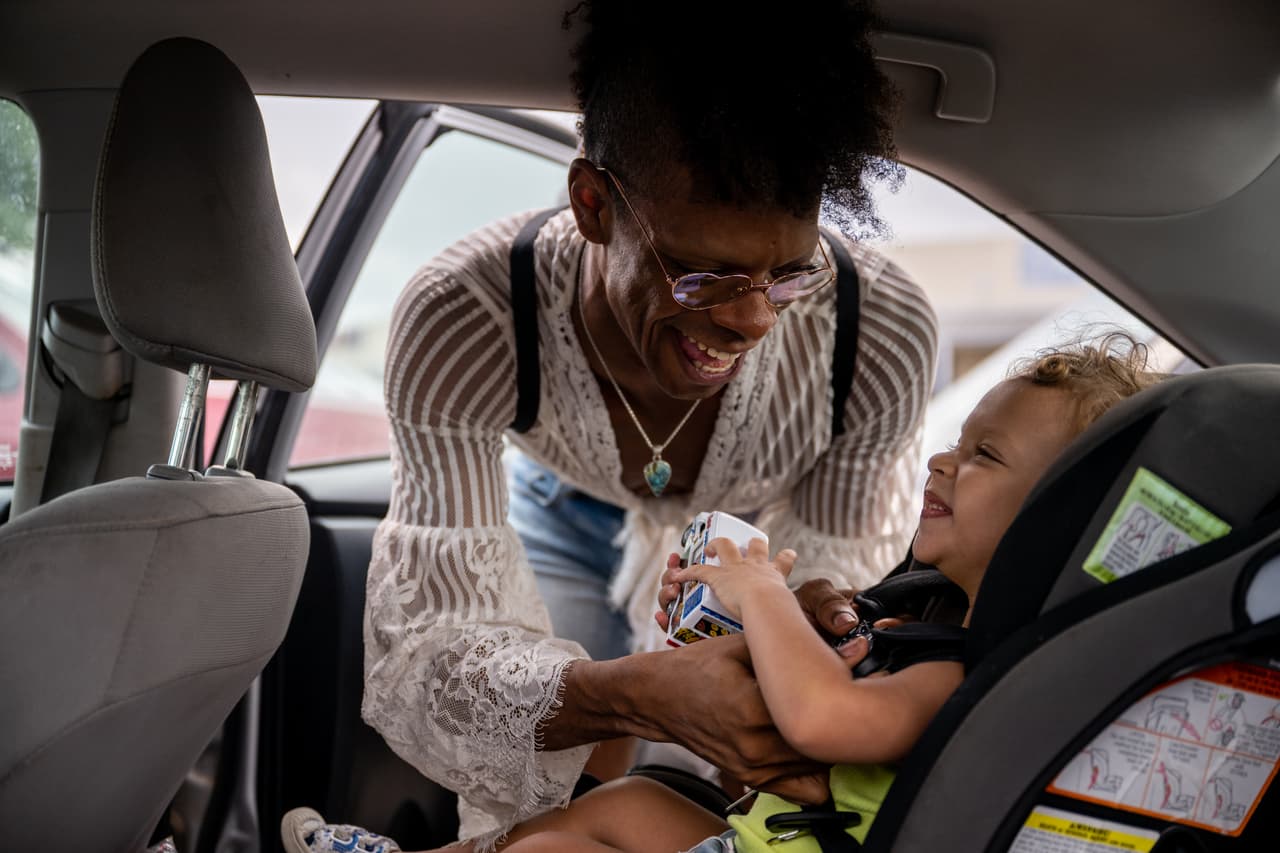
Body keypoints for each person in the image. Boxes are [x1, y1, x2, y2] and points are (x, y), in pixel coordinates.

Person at [360, 1, 937, 848]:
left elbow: (835, 560)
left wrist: (804, 612)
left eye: (787, 274)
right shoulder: (465, 318)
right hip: (558, 518)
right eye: (704, 276)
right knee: (542, 803)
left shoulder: (880, 332)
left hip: (758, 551)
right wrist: (625, 692)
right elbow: (433, 656)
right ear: (594, 204)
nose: (753, 321)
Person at [282, 335, 1161, 853]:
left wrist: (760, 592)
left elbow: (824, 724)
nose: (942, 460)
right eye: (957, 440)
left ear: (1055, 523)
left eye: (985, 456)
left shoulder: (963, 669)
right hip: (765, 835)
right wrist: (740, 616)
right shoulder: (920, 622)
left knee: (585, 832)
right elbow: (805, 727)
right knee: (612, 805)